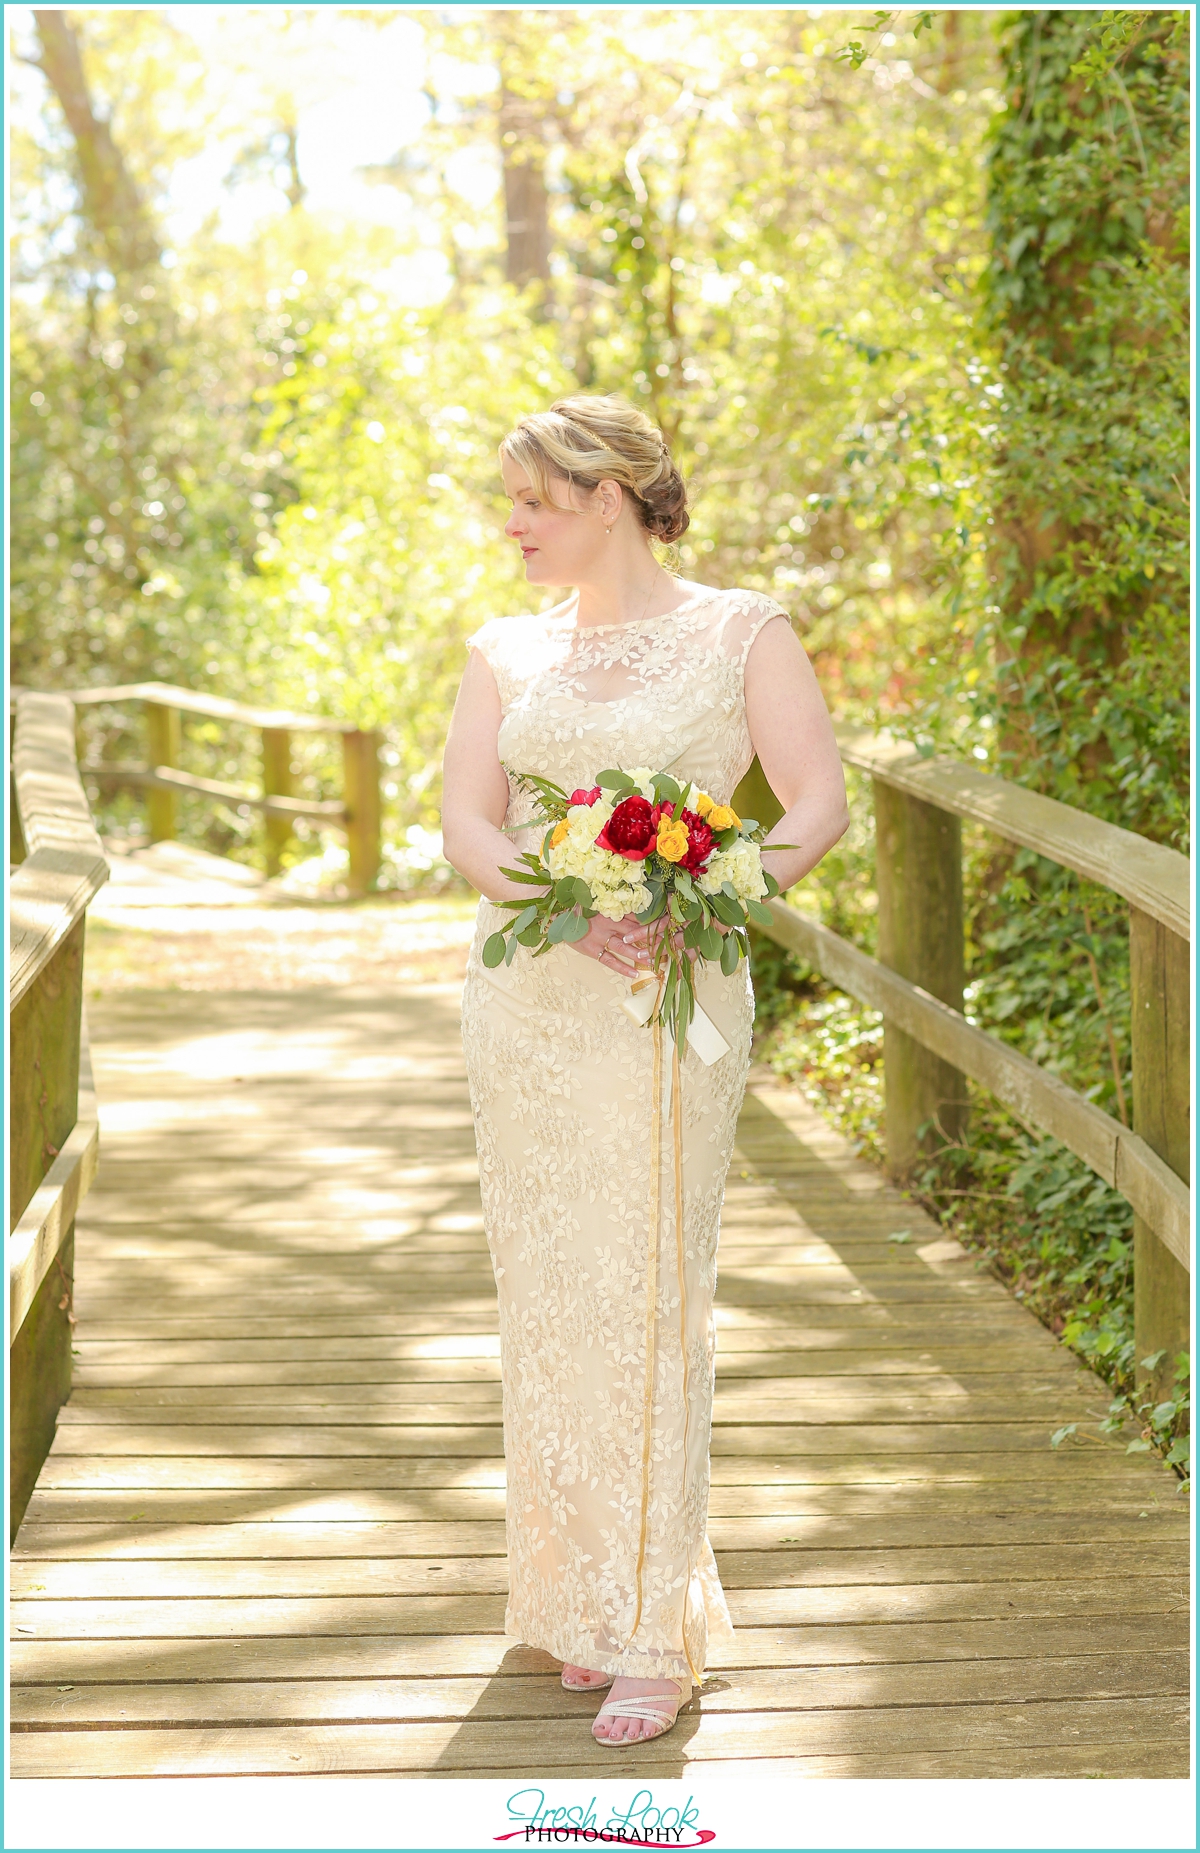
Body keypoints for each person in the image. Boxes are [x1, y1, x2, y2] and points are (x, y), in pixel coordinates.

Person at [442, 395, 848, 1747]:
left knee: (654, 1285)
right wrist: (555, 883)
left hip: (669, 1001)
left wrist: (707, 894)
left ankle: (653, 1628)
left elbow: (816, 803)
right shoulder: (503, 649)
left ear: (608, 493)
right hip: (529, 1004)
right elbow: (466, 821)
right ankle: (576, 1598)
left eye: (532, 504)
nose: (511, 528)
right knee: (551, 1290)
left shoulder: (741, 631)